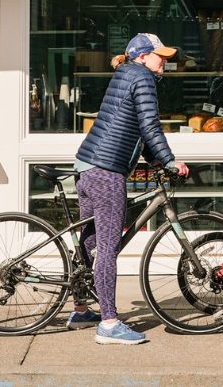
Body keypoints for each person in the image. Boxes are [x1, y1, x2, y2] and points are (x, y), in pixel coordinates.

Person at [68, 33, 189, 345]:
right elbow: (150, 126)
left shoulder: (125, 74)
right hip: (106, 171)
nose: (164, 61)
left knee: (89, 242)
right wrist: (171, 161)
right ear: (142, 56)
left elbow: (137, 130)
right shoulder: (143, 77)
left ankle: (81, 309)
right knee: (107, 248)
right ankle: (108, 323)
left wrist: (157, 160)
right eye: (159, 55)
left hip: (88, 166)